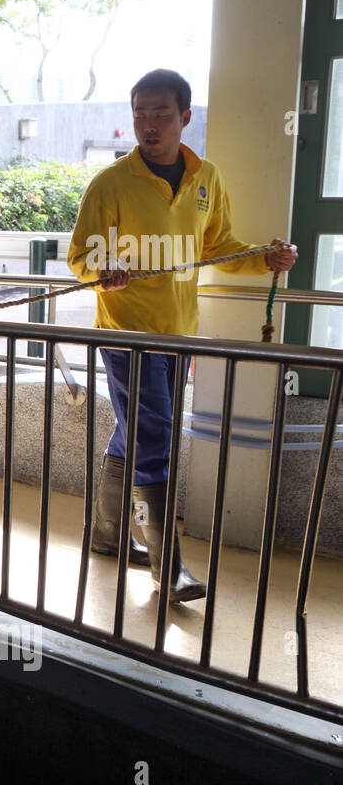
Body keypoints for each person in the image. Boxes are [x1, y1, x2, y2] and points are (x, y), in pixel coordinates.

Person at [67, 69, 297, 603]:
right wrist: (104, 270)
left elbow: (217, 246)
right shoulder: (110, 183)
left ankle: (106, 534)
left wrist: (263, 258)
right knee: (154, 442)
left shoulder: (205, 179)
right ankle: (165, 568)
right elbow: (80, 257)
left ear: (185, 117)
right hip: (128, 336)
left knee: (136, 433)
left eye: (161, 114)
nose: (149, 124)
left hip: (179, 336)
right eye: (140, 114)